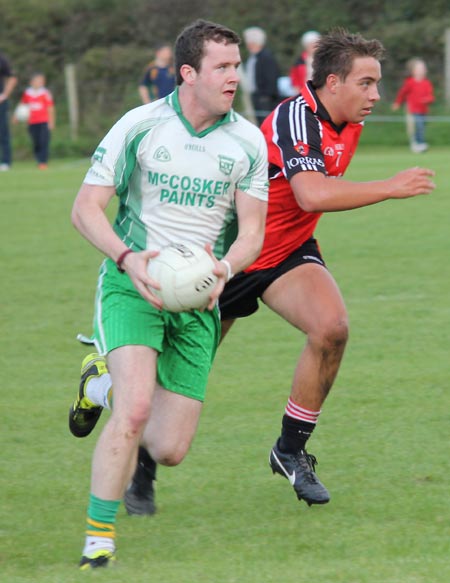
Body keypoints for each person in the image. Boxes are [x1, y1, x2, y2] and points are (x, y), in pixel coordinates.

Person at [71, 29, 435, 514]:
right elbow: (312, 194)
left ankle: (289, 450)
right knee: (168, 386)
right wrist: (390, 186)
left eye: (377, 84)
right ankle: (128, 439)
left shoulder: (347, 121)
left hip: (284, 252)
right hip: (225, 261)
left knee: (332, 328)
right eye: (366, 83)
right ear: (333, 81)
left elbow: (303, 205)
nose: (375, 95)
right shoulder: (294, 117)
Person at [69, 19, 268, 569]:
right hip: (133, 285)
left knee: (168, 449)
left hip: (199, 299)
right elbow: (86, 208)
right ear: (188, 73)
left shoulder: (247, 142)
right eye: (222, 67)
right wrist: (128, 259)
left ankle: (97, 385)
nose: (234, 76)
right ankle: (98, 541)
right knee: (134, 410)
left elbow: (253, 231)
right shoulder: (140, 125)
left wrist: (224, 269)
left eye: (236, 66)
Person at [13, 72, 55, 169]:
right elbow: (22, 105)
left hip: (44, 121)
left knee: (43, 141)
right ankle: (38, 159)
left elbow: (50, 107)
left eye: (41, 81)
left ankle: (43, 162)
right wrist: (15, 116)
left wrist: (51, 122)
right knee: (36, 142)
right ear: (32, 82)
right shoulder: (28, 93)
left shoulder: (45, 93)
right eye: (37, 81)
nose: (40, 83)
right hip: (32, 122)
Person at [392, 57, 434, 153]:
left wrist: (428, 100)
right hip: (413, 110)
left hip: (423, 110)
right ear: (413, 71)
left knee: (422, 127)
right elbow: (402, 93)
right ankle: (418, 143)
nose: (421, 71)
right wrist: (397, 103)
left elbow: (431, 97)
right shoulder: (410, 82)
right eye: (419, 69)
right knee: (416, 126)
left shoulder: (427, 83)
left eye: (423, 69)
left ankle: (419, 143)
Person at [242, 26, 280, 126]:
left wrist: (265, 96)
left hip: (264, 99)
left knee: (266, 124)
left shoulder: (266, 57)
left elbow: (271, 79)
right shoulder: (253, 57)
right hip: (256, 96)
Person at [0, 52, 18, 171]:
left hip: (1, 102)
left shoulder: (2, 60)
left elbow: (12, 77)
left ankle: (5, 162)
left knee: (2, 131)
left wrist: (4, 95)